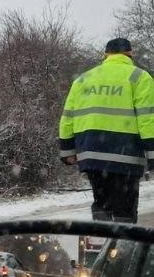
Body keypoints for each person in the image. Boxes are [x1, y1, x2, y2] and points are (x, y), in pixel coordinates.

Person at [59, 38, 154, 223]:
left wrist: (67, 150)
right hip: (125, 153)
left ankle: (101, 239)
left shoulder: (83, 79)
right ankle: (122, 245)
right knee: (124, 206)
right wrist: (152, 154)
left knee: (101, 200)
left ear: (106, 55)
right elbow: (147, 119)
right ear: (130, 54)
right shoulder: (139, 77)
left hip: (91, 153)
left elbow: (68, 116)